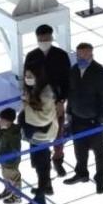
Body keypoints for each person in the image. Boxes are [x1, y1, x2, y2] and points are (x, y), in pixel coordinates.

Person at [65, 42, 103, 192]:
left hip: (93, 121)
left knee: (99, 151)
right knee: (79, 149)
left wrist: (100, 120)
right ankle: (81, 173)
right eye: (79, 54)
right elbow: (71, 93)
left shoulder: (100, 73)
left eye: (85, 54)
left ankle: (100, 178)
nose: (81, 57)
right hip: (77, 118)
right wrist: (69, 112)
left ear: (91, 53)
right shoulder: (74, 70)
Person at [25, 26, 72, 175]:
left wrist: (62, 99)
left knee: (58, 131)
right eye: (41, 39)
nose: (43, 42)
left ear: (51, 38)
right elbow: (27, 78)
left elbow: (67, 78)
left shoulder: (61, 55)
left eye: (46, 39)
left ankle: (58, 159)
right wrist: (29, 97)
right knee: (38, 130)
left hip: (56, 100)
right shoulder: (32, 56)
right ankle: (39, 162)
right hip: (37, 101)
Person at [18, 64, 60, 204]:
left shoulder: (46, 93)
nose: (27, 79)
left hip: (42, 135)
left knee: (42, 165)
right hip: (37, 135)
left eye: (30, 76)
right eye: (26, 76)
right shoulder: (35, 89)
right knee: (39, 163)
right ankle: (46, 187)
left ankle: (40, 197)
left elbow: (43, 118)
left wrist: (26, 105)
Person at [0, 107, 23, 204]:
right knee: (6, 176)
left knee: (14, 179)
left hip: (10, 161)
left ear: (8, 121)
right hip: (3, 159)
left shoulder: (14, 133)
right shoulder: (5, 129)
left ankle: (17, 197)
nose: (0, 121)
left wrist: (9, 160)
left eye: (2, 120)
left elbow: (15, 149)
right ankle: (8, 190)